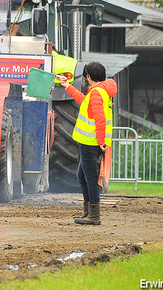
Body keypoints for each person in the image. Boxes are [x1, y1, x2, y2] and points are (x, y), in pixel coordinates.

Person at [59, 61, 117, 225]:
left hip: (91, 143)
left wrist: (100, 142)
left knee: (90, 178)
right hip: (90, 142)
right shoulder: (98, 92)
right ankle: (89, 212)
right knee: (82, 176)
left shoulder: (97, 93)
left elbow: (100, 119)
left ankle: (94, 215)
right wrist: (67, 86)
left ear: (89, 77)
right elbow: (84, 101)